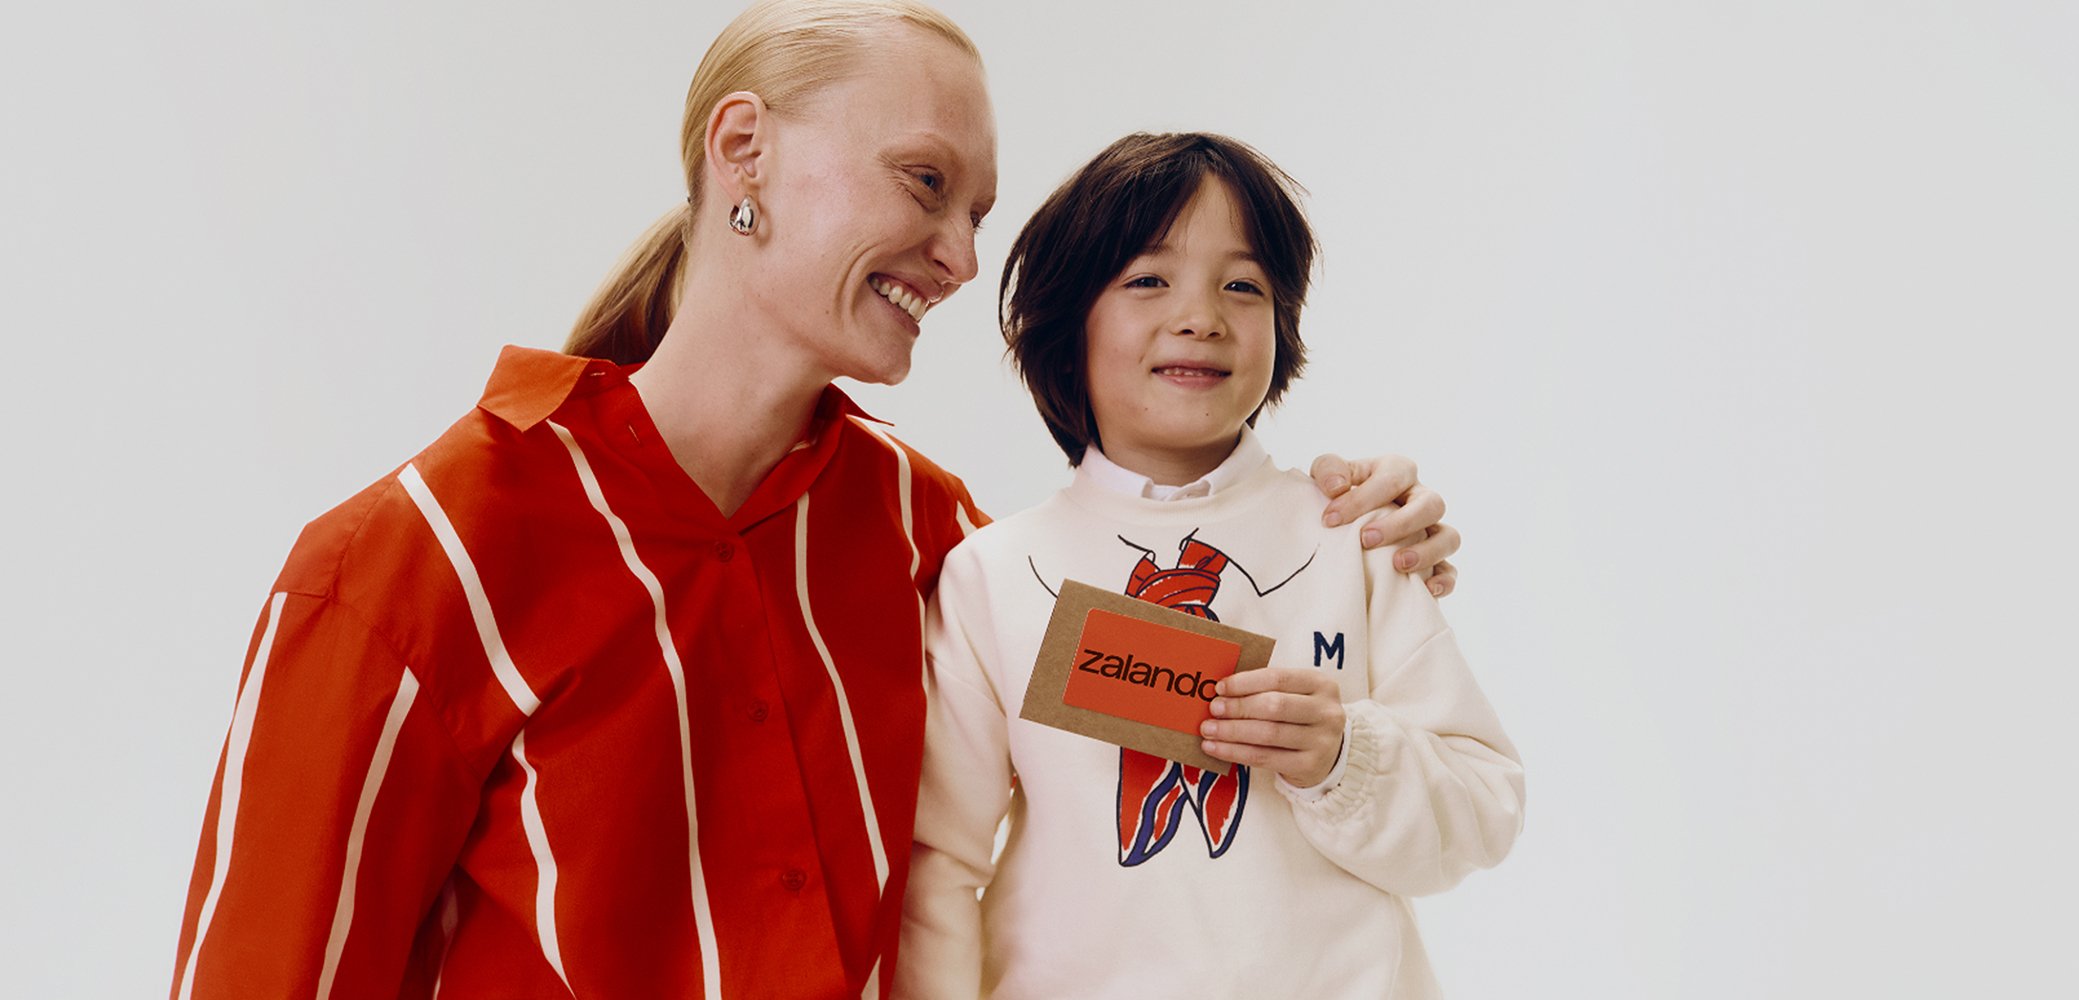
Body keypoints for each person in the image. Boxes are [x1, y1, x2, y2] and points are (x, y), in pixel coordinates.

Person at [167, 3, 1460, 998]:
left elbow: (1221, 704)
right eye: (921, 184)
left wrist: (1331, 529)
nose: (960, 257)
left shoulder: (928, 539)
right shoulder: (408, 566)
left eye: (974, 212)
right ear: (745, 152)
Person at [896, 133, 1523, 1000]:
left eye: (1243, 285)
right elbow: (938, 868)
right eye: (1147, 279)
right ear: (1063, 320)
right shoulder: (995, 576)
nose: (1201, 316)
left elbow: (1483, 811)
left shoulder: (1357, 535)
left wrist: (1344, 756)